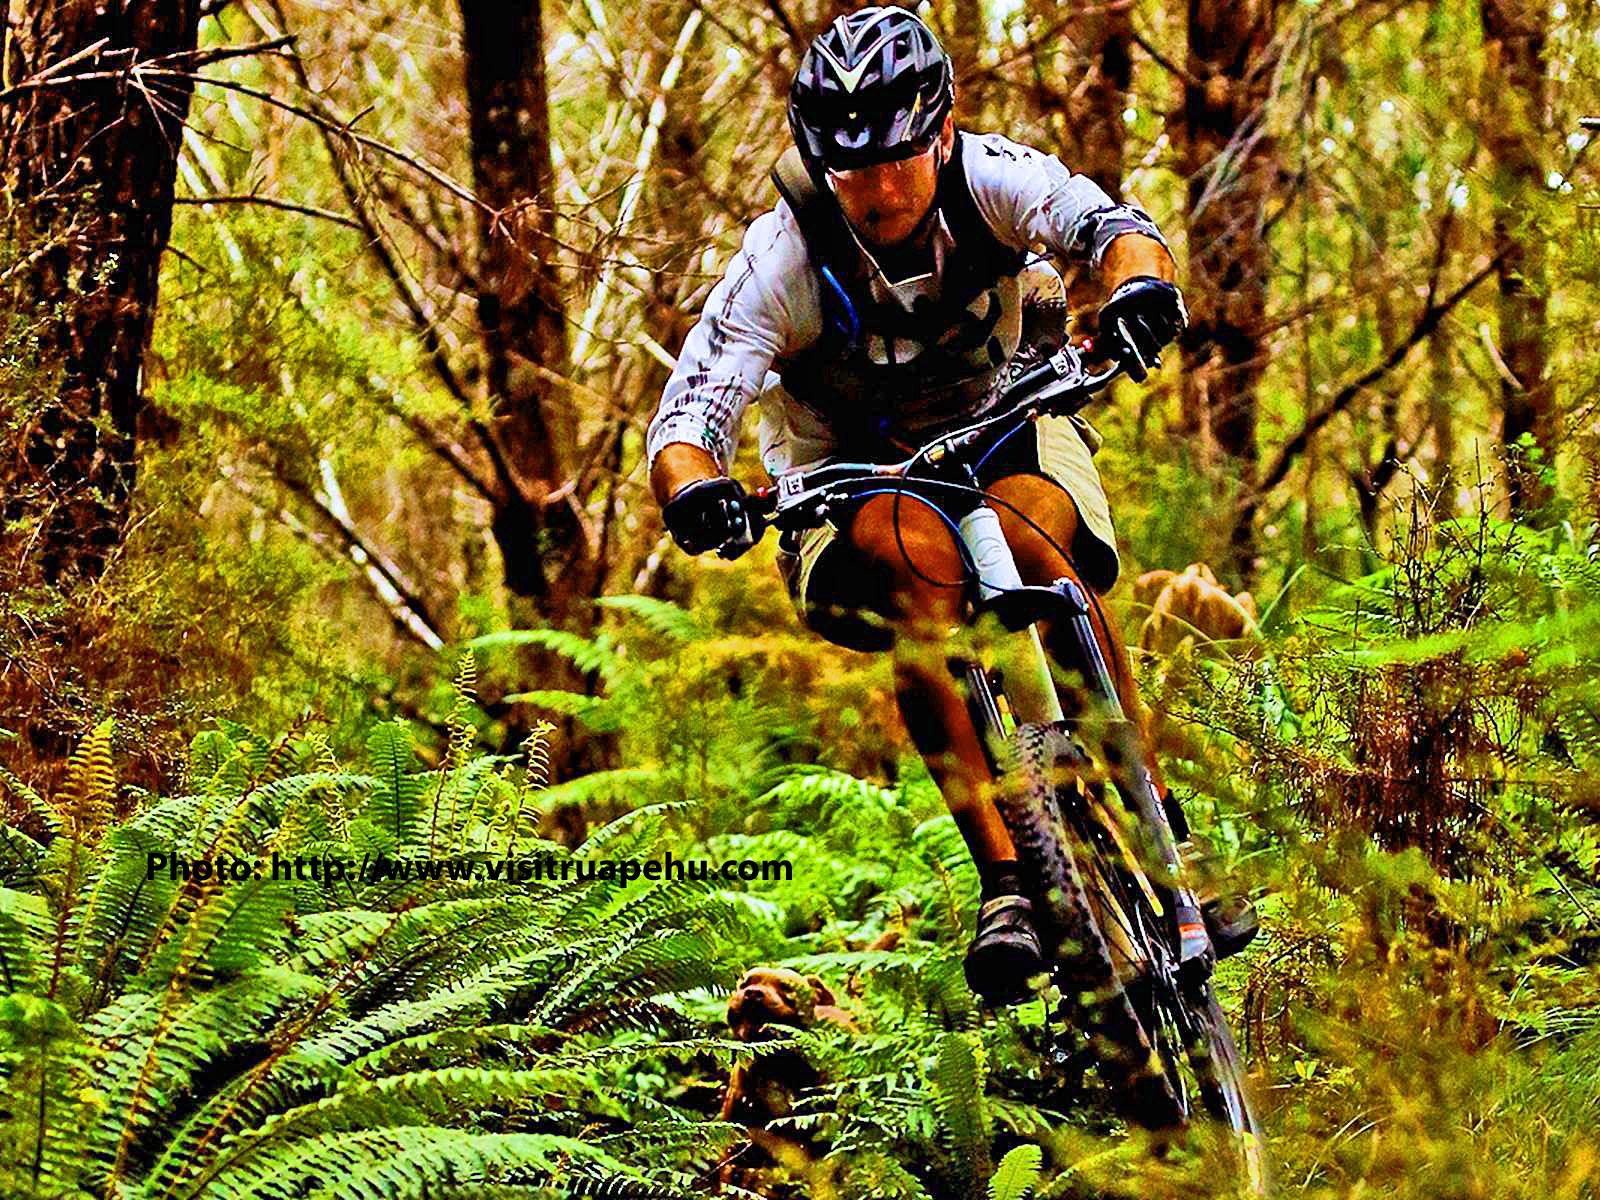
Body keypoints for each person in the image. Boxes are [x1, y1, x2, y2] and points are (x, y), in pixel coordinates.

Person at [646, 6, 1254, 1003]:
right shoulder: (780, 257)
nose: (878, 189)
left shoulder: (990, 179)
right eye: (851, 171)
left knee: (1033, 540)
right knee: (911, 554)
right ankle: (1007, 878)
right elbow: (688, 412)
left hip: (1006, 416)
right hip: (849, 473)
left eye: (896, 160)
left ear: (937, 133)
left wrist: (1139, 289)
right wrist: (698, 490)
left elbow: (1109, 228)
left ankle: (1147, 823)